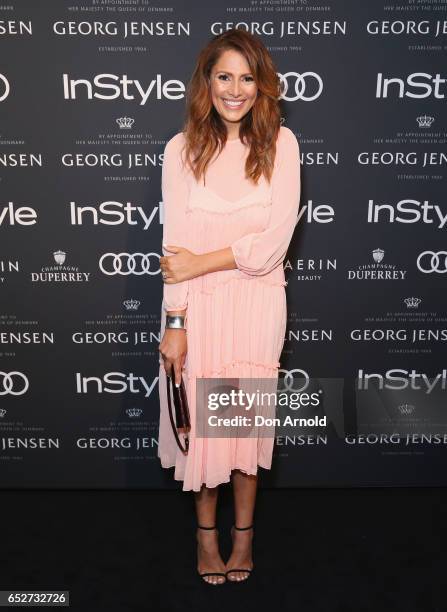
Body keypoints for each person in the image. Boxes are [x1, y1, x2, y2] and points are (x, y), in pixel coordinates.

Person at [158, 29, 301, 585]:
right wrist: (175, 323)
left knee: (240, 430)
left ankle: (244, 534)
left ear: (261, 85)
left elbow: (270, 249)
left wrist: (201, 261)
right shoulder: (180, 149)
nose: (235, 90)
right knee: (205, 434)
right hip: (201, 310)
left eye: (247, 77)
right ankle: (205, 537)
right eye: (224, 76)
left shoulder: (281, 145)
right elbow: (175, 250)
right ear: (207, 82)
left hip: (255, 306)